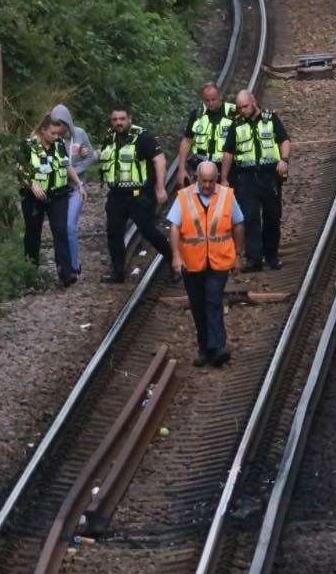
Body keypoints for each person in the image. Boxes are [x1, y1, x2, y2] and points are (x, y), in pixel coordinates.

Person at [168, 161, 245, 367]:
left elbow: (238, 224)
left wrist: (237, 253)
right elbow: (174, 228)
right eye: (204, 181)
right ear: (197, 178)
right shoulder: (184, 197)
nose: (208, 185)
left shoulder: (227, 195)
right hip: (192, 262)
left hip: (219, 260)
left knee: (213, 300)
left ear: (217, 178)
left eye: (212, 181)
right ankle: (205, 348)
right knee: (198, 305)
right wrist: (176, 256)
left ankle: (217, 347)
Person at [98, 105, 172, 283]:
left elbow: (159, 160)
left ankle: (174, 260)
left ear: (129, 119)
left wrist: (160, 188)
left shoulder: (143, 137)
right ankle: (118, 272)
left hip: (139, 195)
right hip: (116, 195)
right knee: (114, 232)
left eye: (122, 119)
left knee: (148, 231)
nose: (119, 123)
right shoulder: (111, 137)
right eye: (115, 119)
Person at [221, 90, 292, 272]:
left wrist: (284, 160)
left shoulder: (271, 119)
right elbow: (228, 152)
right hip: (246, 177)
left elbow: (284, 140)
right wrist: (224, 178)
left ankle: (271, 255)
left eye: (245, 106)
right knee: (250, 218)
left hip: (269, 176)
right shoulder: (236, 125)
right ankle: (254, 259)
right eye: (239, 107)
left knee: (272, 216)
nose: (242, 110)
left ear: (253, 101)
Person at [18, 114, 87, 287]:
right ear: (43, 130)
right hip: (34, 196)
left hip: (58, 194)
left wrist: (79, 183)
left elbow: (66, 165)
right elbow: (20, 169)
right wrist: (31, 184)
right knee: (33, 233)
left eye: (59, 134)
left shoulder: (59, 145)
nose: (57, 137)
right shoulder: (28, 145)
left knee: (60, 229)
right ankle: (30, 274)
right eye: (53, 133)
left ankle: (65, 272)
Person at [50, 104, 97, 278]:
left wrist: (76, 171)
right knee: (60, 227)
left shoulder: (79, 134)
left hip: (77, 186)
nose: (59, 129)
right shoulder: (52, 137)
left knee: (70, 225)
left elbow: (90, 156)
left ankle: (75, 264)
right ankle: (63, 266)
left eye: (61, 124)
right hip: (59, 189)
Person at [173, 82, 237, 188]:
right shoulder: (197, 114)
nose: (210, 103)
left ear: (220, 96)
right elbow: (187, 141)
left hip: (225, 170)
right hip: (200, 169)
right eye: (207, 100)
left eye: (213, 99)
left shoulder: (234, 113)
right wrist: (181, 169)